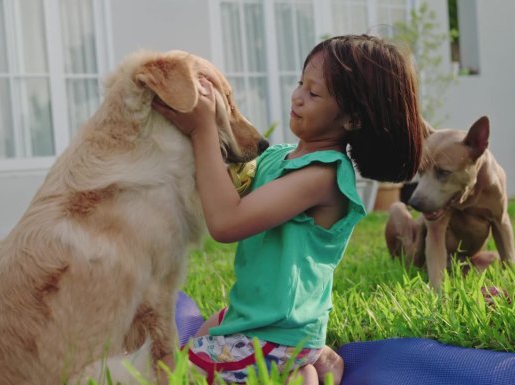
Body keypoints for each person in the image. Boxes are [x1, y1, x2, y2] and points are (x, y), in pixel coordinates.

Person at [153, 34, 426, 384]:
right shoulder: (277, 157)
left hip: (273, 332)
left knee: (167, 377)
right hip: (263, 319)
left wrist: (202, 128)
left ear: (353, 119)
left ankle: (293, 363)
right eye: (301, 83)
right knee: (196, 340)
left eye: (314, 93)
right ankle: (304, 367)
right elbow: (221, 181)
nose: (297, 96)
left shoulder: (323, 175)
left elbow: (226, 222)